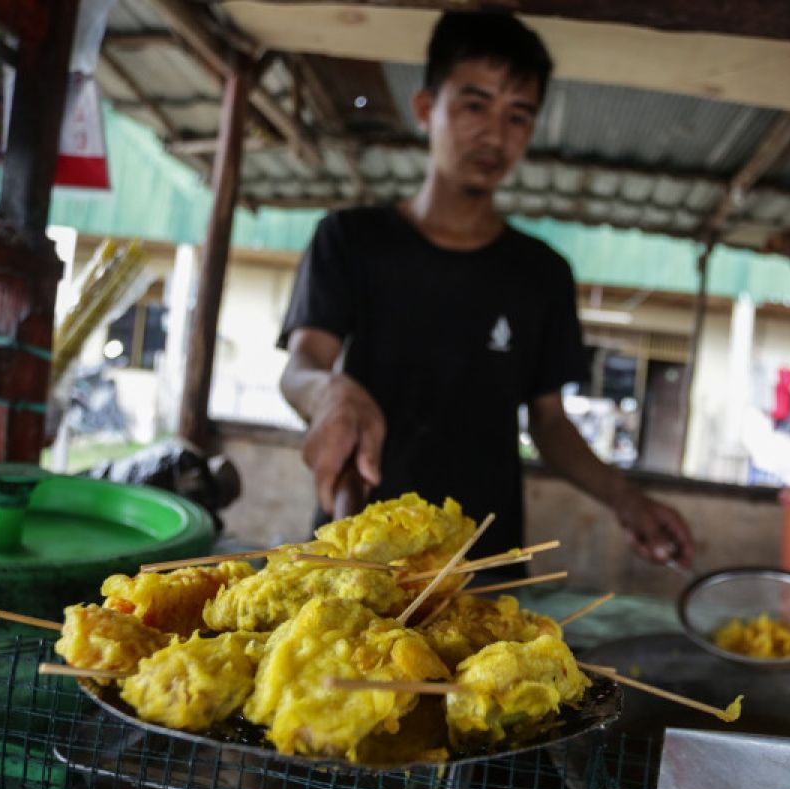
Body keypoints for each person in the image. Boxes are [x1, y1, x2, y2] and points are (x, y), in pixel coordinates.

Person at [278, 11, 693, 569]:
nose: (495, 135)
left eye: (518, 115)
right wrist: (328, 392)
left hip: (485, 567)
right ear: (426, 109)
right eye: (475, 105)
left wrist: (627, 499)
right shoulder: (351, 239)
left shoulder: (542, 273)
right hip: (359, 554)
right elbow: (302, 365)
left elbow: (548, 422)